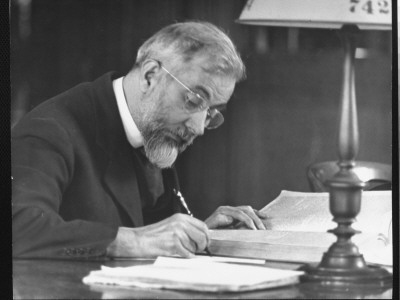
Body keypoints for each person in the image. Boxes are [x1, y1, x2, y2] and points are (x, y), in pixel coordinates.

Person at [12, 21, 267, 259]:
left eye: (212, 112)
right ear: (150, 75)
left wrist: (200, 233)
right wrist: (134, 241)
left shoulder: (153, 128)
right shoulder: (50, 131)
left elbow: (154, 230)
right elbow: (18, 227)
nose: (199, 127)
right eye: (194, 100)